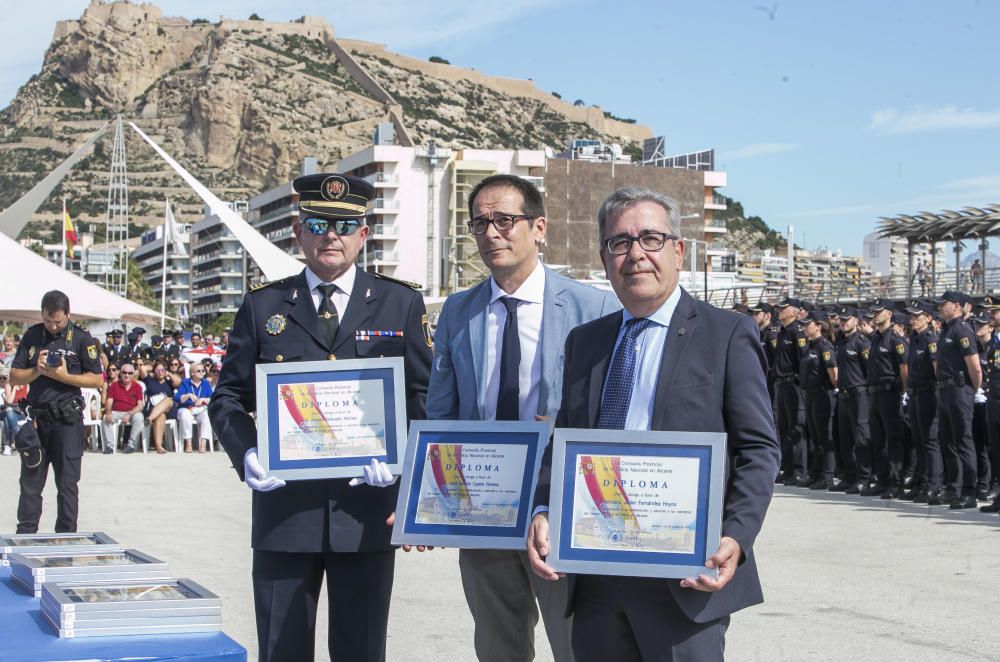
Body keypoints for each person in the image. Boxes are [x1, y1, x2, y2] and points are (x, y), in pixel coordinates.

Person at [527, 187, 780, 661]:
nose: (635, 254)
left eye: (650, 238)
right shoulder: (587, 342)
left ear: (678, 250)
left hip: (684, 578)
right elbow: (563, 442)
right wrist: (542, 507)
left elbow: (758, 449)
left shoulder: (725, 334)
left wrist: (736, 537)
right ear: (605, 258)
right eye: (619, 243)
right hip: (597, 576)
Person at [209, 172, 432, 662]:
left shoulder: (400, 303)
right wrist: (246, 452)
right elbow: (227, 397)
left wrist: (404, 470)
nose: (331, 235)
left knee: (361, 650)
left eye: (344, 225)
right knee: (281, 650)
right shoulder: (263, 304)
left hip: (367, 511)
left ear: (363, 234)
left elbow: (423, 399)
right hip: (285, 512)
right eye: (318, 222)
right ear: (298, 231)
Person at [425, 174, 618, 662]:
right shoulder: (458, 311)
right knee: (497, 643)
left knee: (576, 642)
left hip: (560, 505)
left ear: (539, 227)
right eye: (480, 223)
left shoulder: (590, 307)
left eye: (505, 220)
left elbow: (607, 415)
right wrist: (427, 501)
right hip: (484, 505)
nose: (492, 233)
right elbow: (442, 410)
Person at [9, 290, 103, 533]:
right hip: (37, 422)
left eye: (58, 321)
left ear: (68, 315)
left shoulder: (81, 339)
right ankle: (26, 538)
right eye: (48, 320)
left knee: (67, 484)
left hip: (67, 422)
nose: (52, 326)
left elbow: (97, 380)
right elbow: (14, 375)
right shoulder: (32, 335)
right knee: (30, 484)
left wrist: (65, 376)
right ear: (42, 314)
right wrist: (37, 371)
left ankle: (66, 539)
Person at [931, 290, 982, 508]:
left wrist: (970, 391)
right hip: (944, 391)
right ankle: (954, 487)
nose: (941, 307)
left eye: (945, 304)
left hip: (959, 390)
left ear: (958, 306)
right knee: (948, 442)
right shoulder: (945, 330)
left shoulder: (962, 330)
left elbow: (975, 368)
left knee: (963, 441)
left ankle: (969, 491)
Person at [863, 299, 908, 498]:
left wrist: (903, 392)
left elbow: (904, 369)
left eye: (878, 311)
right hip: (874, 393)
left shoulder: (895, 339)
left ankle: (895, 482)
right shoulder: (875, 339)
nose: (875, 314)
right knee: (878, 439)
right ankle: (882, 480)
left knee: (893, 439)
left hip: (890, 392)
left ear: (889, 314)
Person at [903, 300, 941, 503]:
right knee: (918, 441)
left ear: (928, 317)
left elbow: (936, 369)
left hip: (928, 394)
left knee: (930, 441)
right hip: (915, 394)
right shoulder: (914, 339)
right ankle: (922, 481)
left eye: (917, 316)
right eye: (911, 317)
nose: (913, 320)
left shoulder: (931, 339)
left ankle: (933, 484)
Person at [833, 307, 871, 493]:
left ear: (856, 321)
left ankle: (864, 477)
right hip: (844, 394)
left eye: (847, 319)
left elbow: (869, 370)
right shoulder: (840, 342)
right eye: (841, 319)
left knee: (861, 436)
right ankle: (849, 476)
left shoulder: (861, 343)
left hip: (859, 394)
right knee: (845, 438)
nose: (843, 322)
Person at [772, 297, 808, 485]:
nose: (780, 311)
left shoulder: (797, 332)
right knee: (784, 427)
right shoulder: (782, 332)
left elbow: (803, 360)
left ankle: (800, 470)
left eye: (784, 309)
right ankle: (788, 469)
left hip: (793, 384)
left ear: (794, 312)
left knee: (796, 428)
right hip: (781, 384)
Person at [800, 314, 838, 489]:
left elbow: (833, 373)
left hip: (823, 394)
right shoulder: (809, 346)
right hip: (810, 394)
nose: (805, 327)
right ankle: (815, 474)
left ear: (819, 326)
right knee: (815, 436)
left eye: (809, 324)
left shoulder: (824, 346)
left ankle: (827, 475)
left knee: (824, 436)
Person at [102, 362, 145, 454]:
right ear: (120, 373)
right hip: (116, 411)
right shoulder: (114, 385)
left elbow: (140, 405)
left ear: (133, 375)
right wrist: (108, 412)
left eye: (130, 373)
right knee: (106, 417)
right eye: (124, 372)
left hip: (131, 412)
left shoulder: (137, 387)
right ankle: (109, 446)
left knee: (139, 416)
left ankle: (131, 445)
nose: (127, 375)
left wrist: (130, 413)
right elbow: (109, 402)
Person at [175, 362, 213, 453]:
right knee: (185, 415)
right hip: (187, 408)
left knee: (207, 415)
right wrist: (188, 395)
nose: (202, 373)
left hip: (200, 409)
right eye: (198, 371)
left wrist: (203, 399)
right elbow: (176, 397)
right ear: (192, 373)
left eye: (203, 371)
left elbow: (212, 398)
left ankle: (203, 444)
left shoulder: (206, 383)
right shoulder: (185, 382)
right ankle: (188, 444)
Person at [143, 360, 176, 454]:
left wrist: (168, 373)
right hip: (153, 408)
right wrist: (154, 368)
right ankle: (159, 446)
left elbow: (178, 382)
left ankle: (149, 419)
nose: (160, 372)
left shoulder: (169, 382)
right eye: (158, 371)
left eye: (162, 370)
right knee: (160, 416)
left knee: (168, 400)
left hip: (169, 409)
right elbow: (142, 368)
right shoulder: (150, 380)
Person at [1, 365, 29, 455]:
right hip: (11, 410)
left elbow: (28, 401)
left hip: (22, 411)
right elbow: (9, 401)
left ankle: (7, 446)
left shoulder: (26, 385)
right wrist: (15, 389)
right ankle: (17, 436)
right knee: (8, 411)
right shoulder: (9, 385)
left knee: (6, 419)